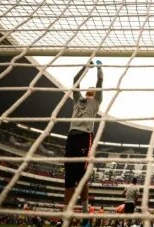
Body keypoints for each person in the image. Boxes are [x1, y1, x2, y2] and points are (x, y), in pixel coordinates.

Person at [65, 60, 104, 227]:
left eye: (93, 88)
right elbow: (75, 80)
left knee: (82, 179)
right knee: (68, 180)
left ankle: (85, 215)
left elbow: (100, 81)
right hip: (71, 138)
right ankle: (66, 217)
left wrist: (98, 68)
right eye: (90, 87)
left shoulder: (95, 102)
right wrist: (85, 67)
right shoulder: (77, 99)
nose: (91, 88)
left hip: (84, 137)